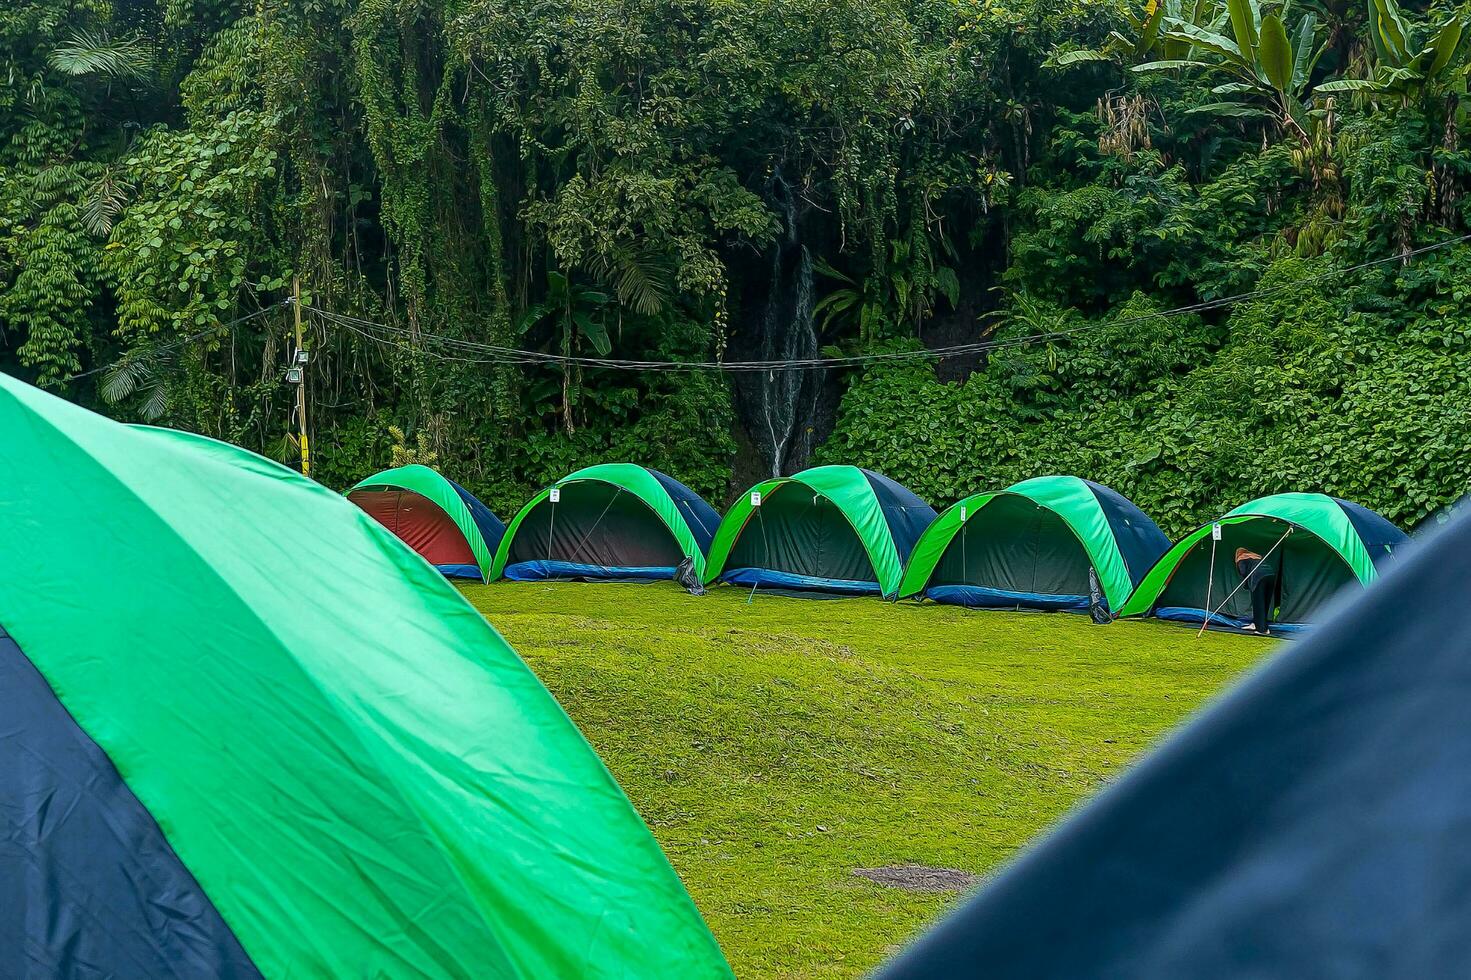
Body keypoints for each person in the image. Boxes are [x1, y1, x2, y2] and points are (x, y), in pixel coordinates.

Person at [1235, 547, 1277, 635]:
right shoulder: (1256, 557)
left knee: (1258, 602)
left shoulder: (1241, 558)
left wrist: (1247, 584)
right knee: (1265, 602)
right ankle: (1257, 624)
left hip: (1258, 577)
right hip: (1271, 575)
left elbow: (1244, 572)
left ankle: (1262, 630)